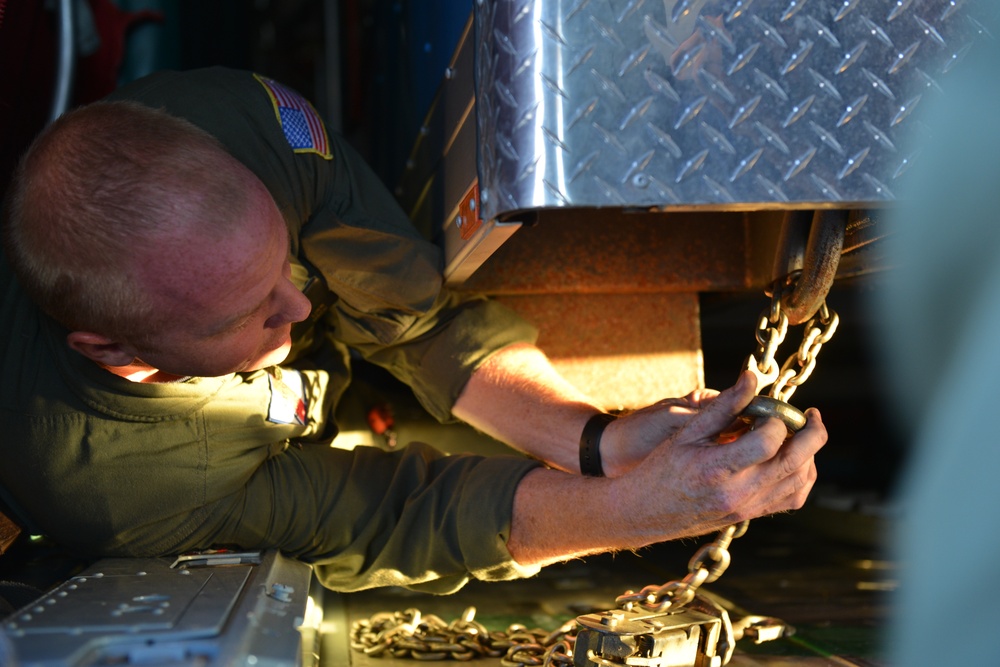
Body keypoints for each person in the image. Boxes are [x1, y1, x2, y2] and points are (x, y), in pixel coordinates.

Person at [0, 67, 827, 593]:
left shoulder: (256, 129)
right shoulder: (120, 491)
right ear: (111, 350)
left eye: (284, 263)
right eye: (247, 314)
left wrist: (598, 443)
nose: (294, 306)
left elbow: (412, 319)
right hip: (225, 464)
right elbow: (397, 514)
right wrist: (639, 511)